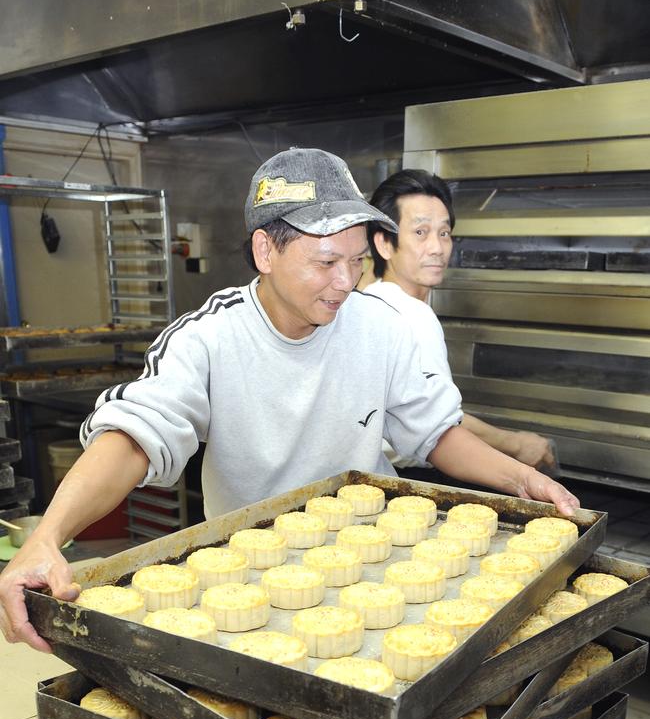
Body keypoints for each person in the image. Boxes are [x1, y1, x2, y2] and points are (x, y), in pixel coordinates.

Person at [0, 148, 578, 654]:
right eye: (326, 263)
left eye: (356, 262)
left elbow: (433, 433)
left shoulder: (381, 326)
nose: (344, 282)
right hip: (253, 581)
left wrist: (517, 478)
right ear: (265, 251)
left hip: (375, 563)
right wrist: (48, 538)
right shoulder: (209, 338)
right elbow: (132, 438)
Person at [360, 168, 556, 470]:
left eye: (444, 233)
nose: (437, 248)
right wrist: (515, 444)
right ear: (384, 243)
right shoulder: (411, 314)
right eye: (420, 233)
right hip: (408, 477)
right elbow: (440, 424)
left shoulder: (373, 299)